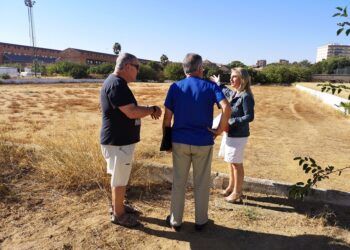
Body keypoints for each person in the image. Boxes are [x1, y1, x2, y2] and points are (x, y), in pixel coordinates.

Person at [162, 53, 231, 231]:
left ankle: (175, 220)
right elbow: (226, 107)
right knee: (201, 182)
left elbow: (167, 119)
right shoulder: (210, 86)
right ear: (200, 69)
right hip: (203, 141)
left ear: (184, 69)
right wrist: (220, 130)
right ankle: (201, 221)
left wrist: (166, 142)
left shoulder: (175, 87)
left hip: (179, 141)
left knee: (179, 182)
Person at [100, 53, 162, 227]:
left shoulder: (115, 83)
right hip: (118, 143)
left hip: (117, 141)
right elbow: (132, 112)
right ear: (127, 66)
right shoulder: (117, 84)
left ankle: (118, 206)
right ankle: (119, 215)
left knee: (118, 177)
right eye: (137, 67)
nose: (138, 71)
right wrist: (152, 109)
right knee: (119, 180)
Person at [210, 68, 255, 203]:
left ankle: (237, 193)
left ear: (243, 79)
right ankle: (231, 187)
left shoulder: (246, 96)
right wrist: (219, 84)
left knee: (236, 163)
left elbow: (249, 116)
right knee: (231, 161)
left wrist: (231, 121)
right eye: (231, 77)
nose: (231, 79)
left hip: (238, 135)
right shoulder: (236, 93)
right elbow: (227, 91)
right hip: (230, 133)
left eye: (234, 77)